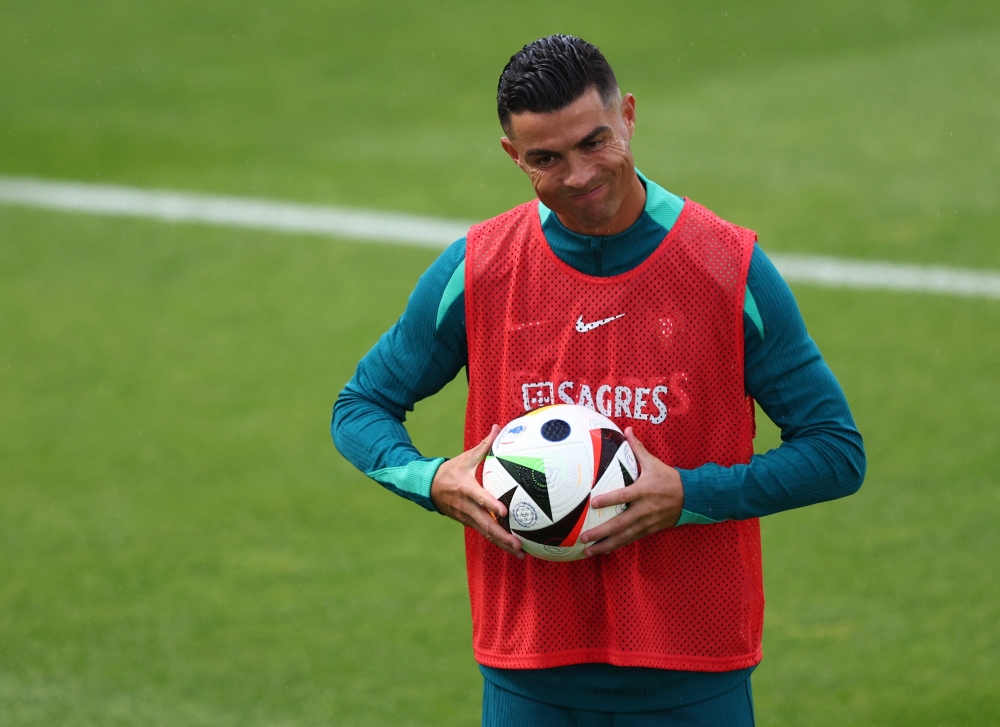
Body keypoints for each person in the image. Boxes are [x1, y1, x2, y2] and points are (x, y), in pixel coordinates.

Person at [333, 34, 865, 727]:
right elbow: (362, 405)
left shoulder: (724, 265)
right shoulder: (481, 266)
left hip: (694, 673)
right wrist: (433, 478)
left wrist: (689, 493)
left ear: (630, 116)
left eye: (595, 142)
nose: (579, 175)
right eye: (546, 159)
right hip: (530, 672)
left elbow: (835, 451)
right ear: (512, 157)